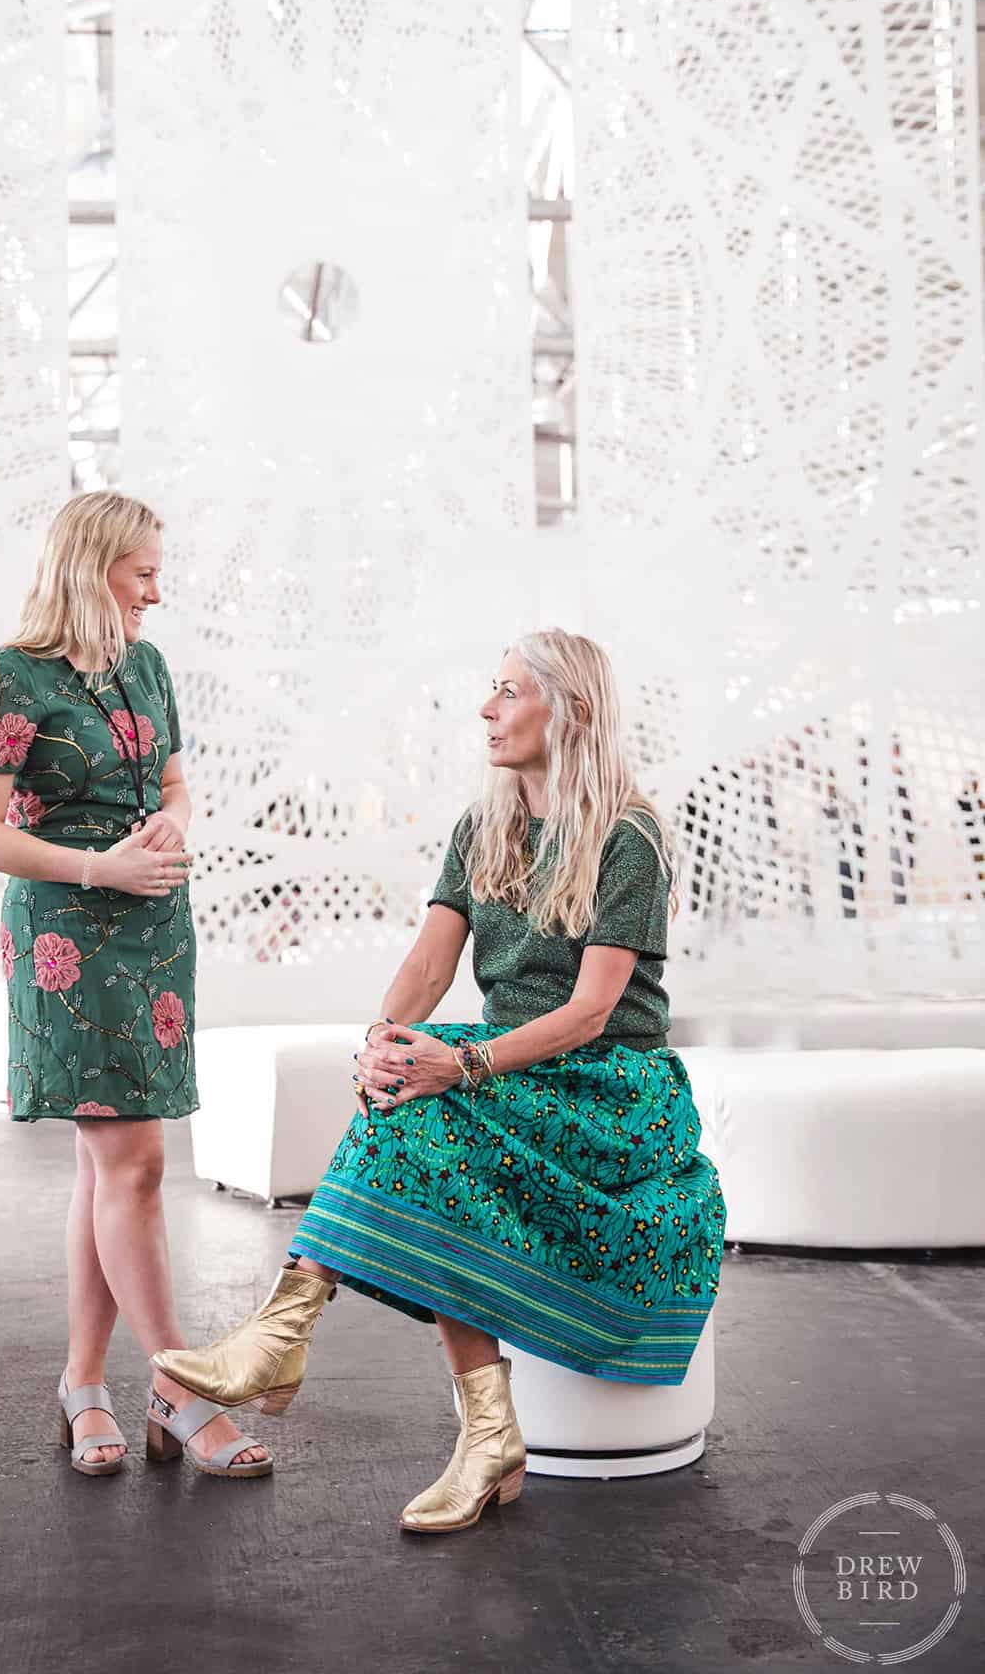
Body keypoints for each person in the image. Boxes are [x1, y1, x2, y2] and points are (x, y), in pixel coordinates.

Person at [154, 628, 728, 1534]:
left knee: (429, 1116)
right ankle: (448, 1415)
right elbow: (429, 962)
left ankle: (297, 1337)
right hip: (511, 1072)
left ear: (570, 708)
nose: (485, 708)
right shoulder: (482, 825)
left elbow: (589, 1011)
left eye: (508, 691)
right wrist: (384, 1038)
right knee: (406, 1101)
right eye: (488, 689)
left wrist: (454, 1062)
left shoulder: (628, 833)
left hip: (611, 1087)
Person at [0, 490, 272, 1482]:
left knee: (109, 1167)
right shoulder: (5, 678)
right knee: (131, 1163)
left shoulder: (147, 666)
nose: (156, 591)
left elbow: (172, 782)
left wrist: (171, 824)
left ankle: (82, 1380)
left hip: (155, 928)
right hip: (66, 932)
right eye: (142, 572)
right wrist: (100, 868)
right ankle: (180, 1388)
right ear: (91, 568)